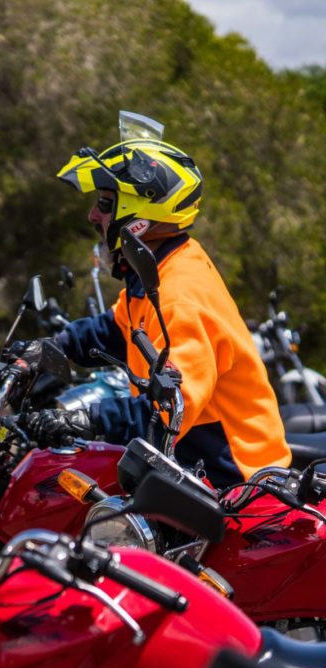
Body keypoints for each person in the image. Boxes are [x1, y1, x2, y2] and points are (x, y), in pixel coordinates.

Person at [17, 128, 288, 487]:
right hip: (189, 462)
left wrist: (83, 418)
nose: (93, 216)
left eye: (104, 203)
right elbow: (114, 331)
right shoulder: (159, 268)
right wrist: (51, 348)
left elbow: (169, 410)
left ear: (138, 214)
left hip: (234, 479)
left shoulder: (180, 294)